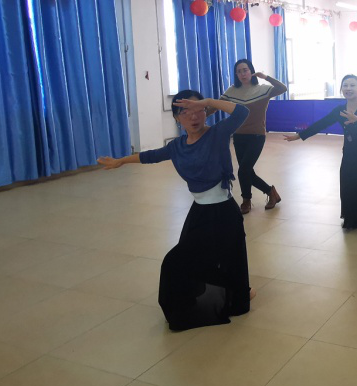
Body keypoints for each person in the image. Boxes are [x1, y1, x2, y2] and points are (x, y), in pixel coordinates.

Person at [97, 91, 252, 332]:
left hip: (223, 212)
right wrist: (122, 161)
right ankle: (210, 294)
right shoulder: (177, 147)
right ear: (177, 118)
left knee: (230, 258)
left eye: (198, 110)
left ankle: (240, 295)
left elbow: (242, 112)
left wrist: (208, 102)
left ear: (206, 111)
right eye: (185, 112)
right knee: (181, 261)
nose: (193, 117)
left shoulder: (217, 134)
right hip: (199, 211)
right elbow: (150, 156)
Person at [284, 75, 357, 229]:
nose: (348, 88)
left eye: (352, 85)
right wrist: (300, 135)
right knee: (349, 183)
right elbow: (322, 123)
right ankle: (352, 216)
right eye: (345, 85)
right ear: (341, 89)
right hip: (350, 151)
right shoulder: (340, 110)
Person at [221, 59, 287, 214]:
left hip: (256, 136)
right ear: (236, 74)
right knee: (248, 171)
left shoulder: (263, 89)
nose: (242, 74)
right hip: (238, 136)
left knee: (243, 170)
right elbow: (217, 104)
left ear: (251, 71)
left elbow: (282, 88)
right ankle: (271, 192)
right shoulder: (232, 91)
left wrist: (266, 77)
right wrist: (201, 112)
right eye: (239, 71)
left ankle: (246, 200)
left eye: (245, 70)